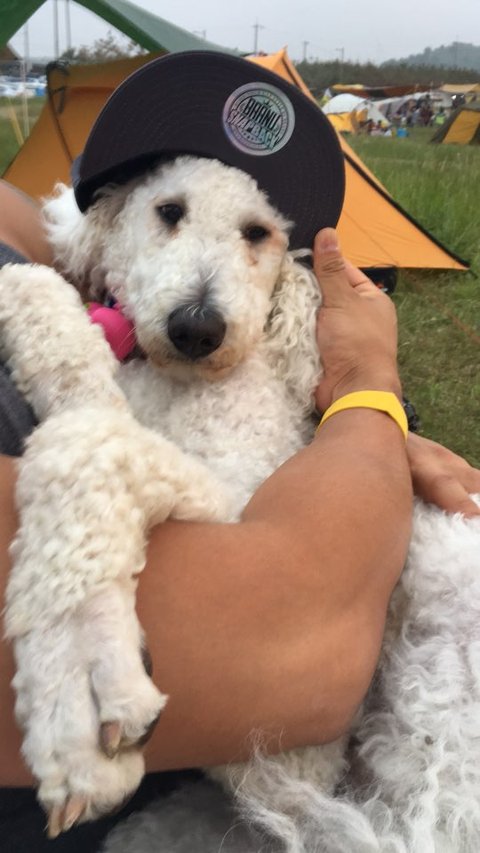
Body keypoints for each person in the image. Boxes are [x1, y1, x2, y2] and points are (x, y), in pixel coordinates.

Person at [0, 176, 479, 848]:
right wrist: (368, 393)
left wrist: (363, 418)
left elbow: (74, 264)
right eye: (169, 214)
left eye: (256, 235)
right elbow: (303, 647)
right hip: (273, 757)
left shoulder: (23, 221)